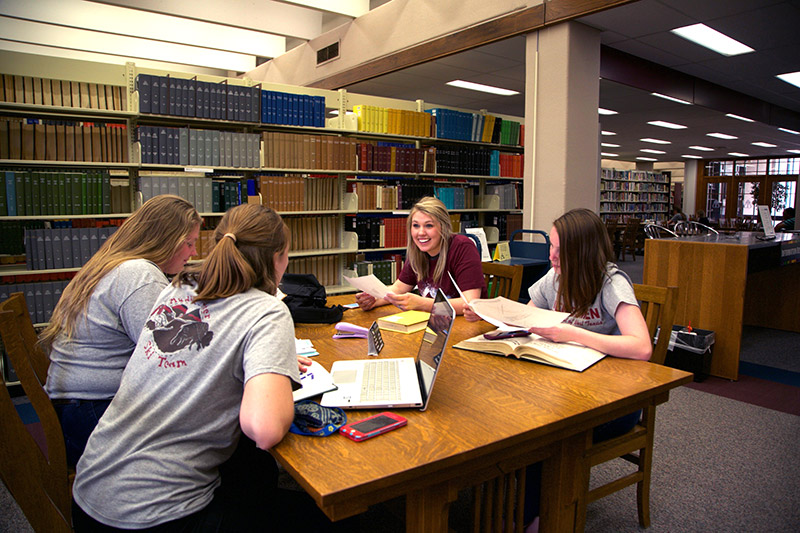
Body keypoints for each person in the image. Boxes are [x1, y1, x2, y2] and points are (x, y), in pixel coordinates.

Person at [71, 203, 303, 531]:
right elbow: (264, 430)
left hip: (89, 499)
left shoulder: (178, 287)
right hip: (157, 518)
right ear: (277, 257)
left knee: (250, 470)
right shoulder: (267, 310)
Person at [465, 208, 652, 531]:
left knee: (540, 435)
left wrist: (573, 333)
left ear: (582, 250)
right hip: (569, 385)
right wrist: (491, 316)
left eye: (559, 250)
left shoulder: (611, 282)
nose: (551, 256)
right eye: (550, 246)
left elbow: (642, 346)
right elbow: (528, 316)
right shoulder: (556, 277)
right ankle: (506, 503)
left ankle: (529, 519)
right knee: (510, 413)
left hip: (614, 400)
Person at [41, 194, 202, 467]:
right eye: (189, 243)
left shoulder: (112, 264)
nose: (193, 253)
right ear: (165, 241)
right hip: (95, 413)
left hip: (74, 407)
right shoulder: (139, 274)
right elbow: (172, 358)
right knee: (215, 429)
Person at [355, 196, 486, 315]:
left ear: (444, 227)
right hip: (432, 322)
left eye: (429, 225)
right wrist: (375, 300)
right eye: (416, 226)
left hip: (465, 325)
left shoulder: (463, 247)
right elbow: (399, 288)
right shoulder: (417, 251)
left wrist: (423, 304)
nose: (421, 233)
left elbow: (471, 303)